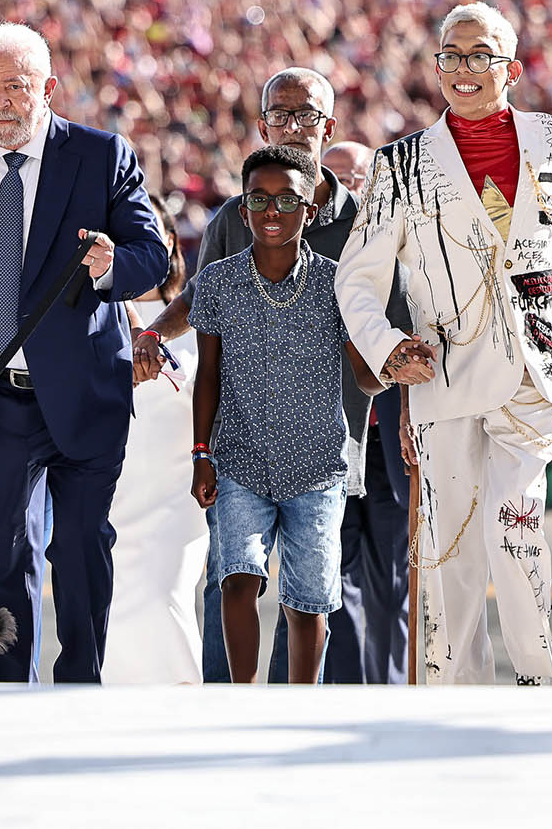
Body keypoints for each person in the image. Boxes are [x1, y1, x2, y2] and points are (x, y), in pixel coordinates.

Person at [335, 1, 552, 685]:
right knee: (449, 552)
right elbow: (358, 277)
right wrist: (387, 347)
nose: (464, 70)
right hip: (442, 376)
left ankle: (533, 683)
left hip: (533, 370)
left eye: (480, 55)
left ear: (512, 68)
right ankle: (454, 700)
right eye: (451, 56)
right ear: (437, 66)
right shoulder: (399, 165)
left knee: (515, 529)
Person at [134, 67, 405, 683]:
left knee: (312, 593)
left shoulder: (368, 222)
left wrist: (405, 393)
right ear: (262, 125)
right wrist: (154, 333)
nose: (292, 126)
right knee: (231, 578)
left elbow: (392, 319)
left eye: (305, 115)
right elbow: (203, 297)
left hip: (334, 441)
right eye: (278, 116)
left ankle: (290, 713)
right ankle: (225, 705)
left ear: (328, 126)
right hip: (241, 443)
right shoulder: (237, 214)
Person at [0, 22, 167, 684]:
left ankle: (81, 687)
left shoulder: (100, 155)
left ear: (49, 88)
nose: (0, 102)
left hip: (86, 390)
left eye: (15, 86)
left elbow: (154, 256)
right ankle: (8, 699)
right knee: (2, 558)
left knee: (82, 549)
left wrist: (111, 266)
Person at [189, 146, 386, 683]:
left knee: (308, 601)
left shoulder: (337, 283)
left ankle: (301, 706)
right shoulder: (217, 282)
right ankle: (243, 697)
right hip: (238, 459)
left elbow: (366, 379)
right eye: (258, 199)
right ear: (241, 208)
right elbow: (208, 374)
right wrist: (201, 453)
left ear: (311, 210)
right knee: (237, 578)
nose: (271, 212)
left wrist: (392, 361)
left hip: (319, 464)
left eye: (287, 201)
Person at [104, 195, 207, 684]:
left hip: (175, 497)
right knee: (111, 611)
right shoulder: (93, 317)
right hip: (107, 491)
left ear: (168, 243)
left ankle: (184, 711)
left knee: (165, 599)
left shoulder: (195, 317)